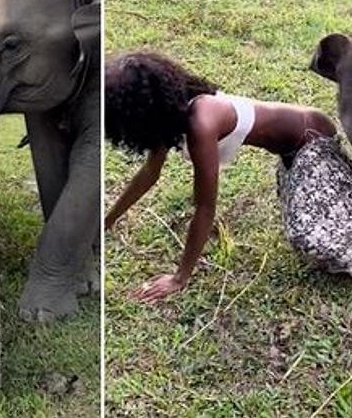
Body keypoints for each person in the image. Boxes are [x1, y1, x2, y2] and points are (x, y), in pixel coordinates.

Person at [104, 50, 338, 303]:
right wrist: (108, 220)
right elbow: (150, 172)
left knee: (318, 240)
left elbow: (205, 206)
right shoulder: (171, 115)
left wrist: (178, 278)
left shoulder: (202, 122)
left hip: (313, 141)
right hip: (291, 153)